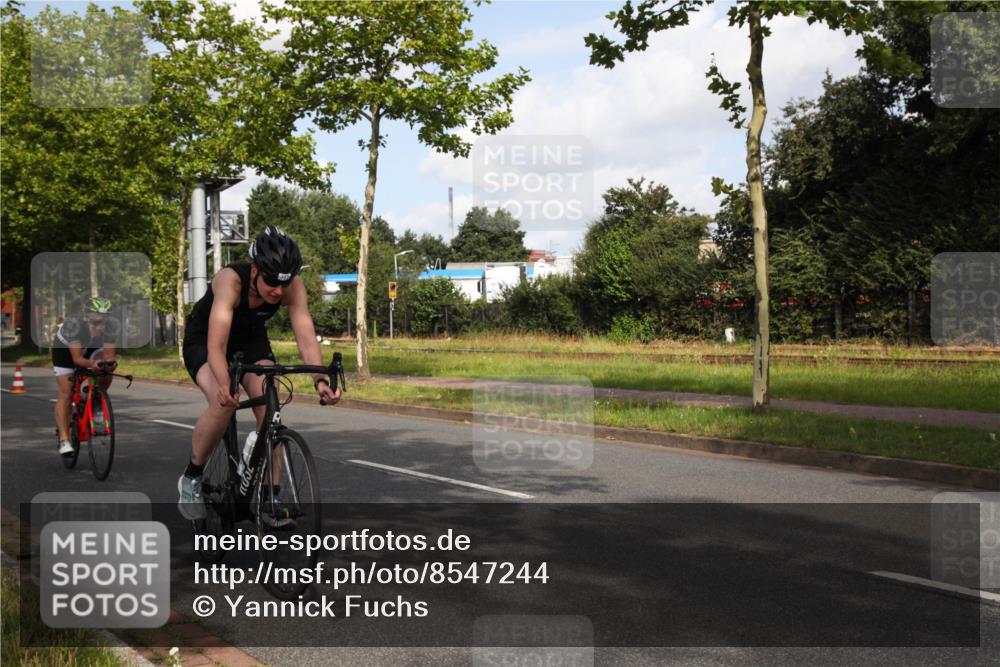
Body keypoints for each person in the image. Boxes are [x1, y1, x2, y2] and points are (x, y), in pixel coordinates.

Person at [177, 226, 341, 522]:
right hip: (206, 341)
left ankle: (271, 498)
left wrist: (320, 381)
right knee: (222, 402)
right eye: (270, 282)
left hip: (251, 340)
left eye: (284, 283)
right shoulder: (230, 281)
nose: (278, 291)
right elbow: (216, 346)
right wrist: (226, 384)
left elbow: (305, 336)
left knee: (271, 407)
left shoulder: (291, 286)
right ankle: (192, 477)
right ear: (255, 269)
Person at [52, 297, 117, 457]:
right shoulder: (73, 326)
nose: (100, 326)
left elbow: (109, 355)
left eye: (104, 322)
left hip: (90, 346)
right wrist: (92, 363)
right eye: (96, 322)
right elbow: (77, 360)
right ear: (86, 316)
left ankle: (92, 399)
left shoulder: (110, 327)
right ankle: (64, 440)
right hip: (65, 352)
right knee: (66, 392)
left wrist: (109, 364)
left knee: (106, 369)